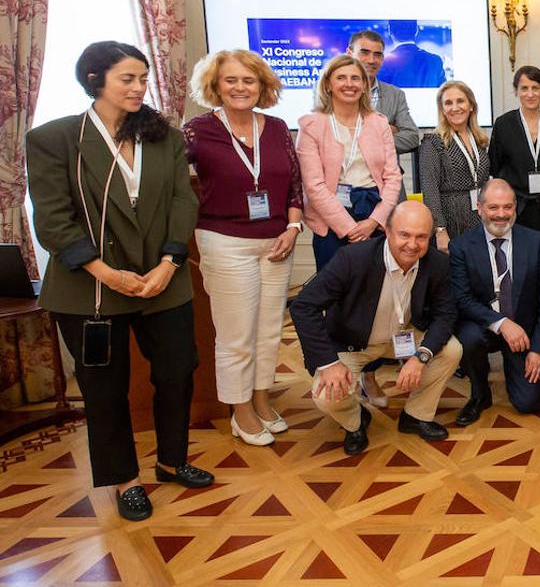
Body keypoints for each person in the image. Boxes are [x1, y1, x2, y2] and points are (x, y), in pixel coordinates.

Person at [27, 41, 212, 522]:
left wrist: (170, 263)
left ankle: (173, 460)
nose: (139, 87)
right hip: (90, 287)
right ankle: (125, 480)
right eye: (127, 78)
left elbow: (181, 202)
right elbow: (52, 219)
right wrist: (106, 273)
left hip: (162, 280)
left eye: (143, 79)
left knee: (176, 373)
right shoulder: (54, 139)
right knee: (105, 389)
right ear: (95, 80)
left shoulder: (163, 137)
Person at [183, 50, 304, 447]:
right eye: (231, 80)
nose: (240, 88)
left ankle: (262, 399)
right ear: (215, 85)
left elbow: (294, 186)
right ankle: (240, 412)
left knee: (269, 332)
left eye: (248, 81)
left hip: (277, 242)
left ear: (262, 86)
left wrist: (292, 226)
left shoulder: (276, 127)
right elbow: (169, 180)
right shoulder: (197, 130)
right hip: (225, 243)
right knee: (236, 335)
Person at [289, 201, 463, 454]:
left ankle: (415, 415)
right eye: (404, 234)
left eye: (421, 237)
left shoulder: (437, 264)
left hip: (404, 337)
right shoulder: (352, 259)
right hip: (354, 343)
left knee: (452, 350)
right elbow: (303, 307)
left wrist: (421, 356)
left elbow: (446, 314)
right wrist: (328, 364)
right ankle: (355, 421)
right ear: (387, 231)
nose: (412, 244)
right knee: (326, 396)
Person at [449, 180, 540, 424]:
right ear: (479, 207)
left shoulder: (536, 241)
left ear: (515, 207)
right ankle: (479, 394)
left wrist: (538, 350)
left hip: (522, 332)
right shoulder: (460, 246)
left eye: (507, 207)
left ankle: (516, 373)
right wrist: (501, 323)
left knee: (528, 403)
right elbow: (462, 299)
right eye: (493, 207)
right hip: (482, 325)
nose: (501, 215)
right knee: (468, 338)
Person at [297, 54, 403, 269]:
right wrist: (348, 227)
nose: (349, 84)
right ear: (327, 84)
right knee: (335, 292)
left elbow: (392, 177)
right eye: (341, 78)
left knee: (374, 290)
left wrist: (374, 222)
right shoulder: (311, 125)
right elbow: (313, 186)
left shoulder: (378, 123)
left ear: (364, 85)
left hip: (374, 214)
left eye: (355, 78)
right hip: (331, 219)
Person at [489, 65, 540, 237]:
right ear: (516, 91)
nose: (530, 94)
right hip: (515, 207)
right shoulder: (503, 124)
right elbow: (495, 169)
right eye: (524, 88)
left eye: (536, 88)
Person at [419, 80, 490, 252]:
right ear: (442, 109)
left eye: (460, 101)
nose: (455, 107)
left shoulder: (479, 140)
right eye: (448, 103)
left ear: (471, 105)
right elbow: (430, 189)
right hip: (451, 220)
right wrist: (440, 230)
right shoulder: (433, 142)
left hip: (479, 218)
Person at [347, 29, 420, 167]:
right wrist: (386, 130)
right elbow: (332, 137)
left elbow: (412, 136)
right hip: (346, 180)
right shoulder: (332, 91)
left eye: (378, 54)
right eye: (365, 52)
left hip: (387, 180)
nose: (371, 60)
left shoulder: (395, 94)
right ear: (349, 54)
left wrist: (371, 142)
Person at [383, 20, 447, 88]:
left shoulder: (383, 62)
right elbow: (443, 93)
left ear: (390, 31)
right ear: (416, 30)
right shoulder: (435, 60)